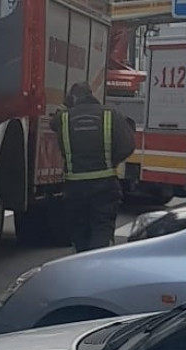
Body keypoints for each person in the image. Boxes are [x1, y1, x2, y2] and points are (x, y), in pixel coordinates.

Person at [51, 82, 136, 253]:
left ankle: (83, 262)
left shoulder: (64, 118)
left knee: (79, 229)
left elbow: (53, 123)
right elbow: (128, 145)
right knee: (102, 227)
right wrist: (111, 161)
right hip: (104, 184)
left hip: (74, 186)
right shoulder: (110, 115)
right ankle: (97, 265)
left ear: (73, 98)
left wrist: (65, 105)